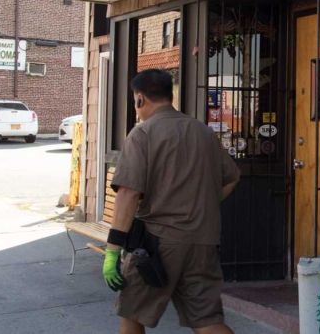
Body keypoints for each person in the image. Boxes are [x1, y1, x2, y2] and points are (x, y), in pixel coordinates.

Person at [102, 69, 241, 334]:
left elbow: (128, 194)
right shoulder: (203, 131)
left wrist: (112, 250)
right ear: (170, 95)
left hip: (157, 243)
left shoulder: (142, 134)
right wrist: (204, 204)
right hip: (203, 241)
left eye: (135, 103)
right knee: (207, 319)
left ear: (140, 99)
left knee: (132, 314)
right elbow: (232, 177)